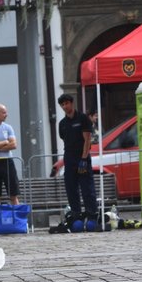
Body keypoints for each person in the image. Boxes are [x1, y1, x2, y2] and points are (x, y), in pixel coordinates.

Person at [57, 93, 97, 223]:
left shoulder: (83, 118)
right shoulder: (62, 124)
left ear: (72, 103)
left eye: (66, 103)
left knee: (87, 188)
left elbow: (87, 140)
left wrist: (84, 159)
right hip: (69, 157)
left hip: (82, 157)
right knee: (71, 188)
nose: (65, 106)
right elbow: (64, 139)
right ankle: (76, 215)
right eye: (62, 105)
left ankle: (92, 214)